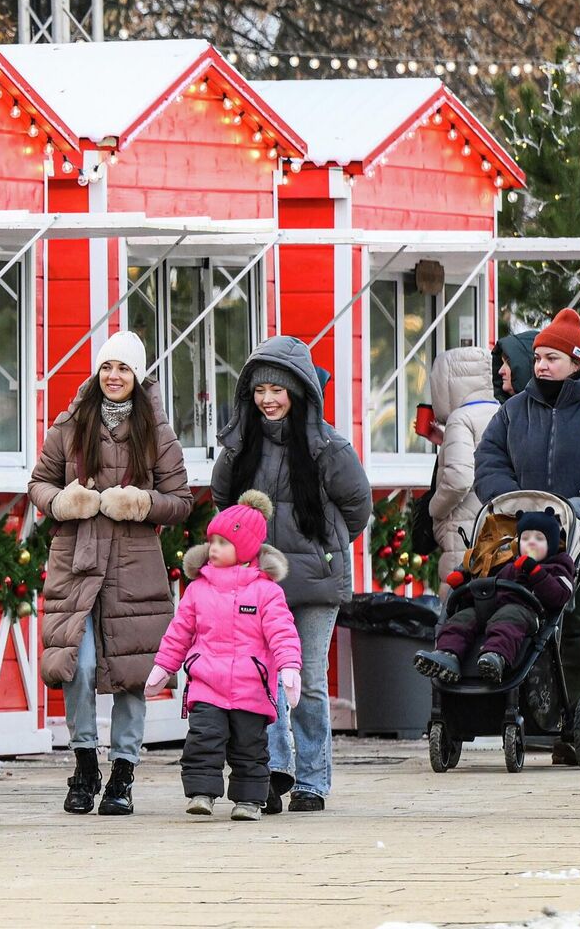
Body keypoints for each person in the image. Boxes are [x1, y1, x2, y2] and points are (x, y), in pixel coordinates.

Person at [28, 331, 193, 817]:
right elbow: (39, 483)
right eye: (106, 368)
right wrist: (61, 500)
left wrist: (142, 504)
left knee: (131, 673)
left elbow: (181, 502)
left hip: (134, 566)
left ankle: (122, 774)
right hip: (76, 560)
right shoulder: (69, 425)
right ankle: (84, 765)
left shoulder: (157, 432)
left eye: (122, 369)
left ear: (137, 376)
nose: (114, 377)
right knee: (75, 664)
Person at [474, 308, 580, 764]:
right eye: (538, 358)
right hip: (526, 546)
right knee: (526, 626)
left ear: (576, 361)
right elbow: (488, 462)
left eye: (553, 357)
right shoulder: (513, 413)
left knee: (578, 632)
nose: (542, 365)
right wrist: (510, 503)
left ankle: (579, 726)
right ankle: (535, 723)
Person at [210, 336, 370, 814]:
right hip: (257, 584)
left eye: (278, 390)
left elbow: (357, 506)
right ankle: (274, 774)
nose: (268, 399)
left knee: (309, 682)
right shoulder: (240, 446)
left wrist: (325, 549)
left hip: (316, 585)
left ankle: (313, 781)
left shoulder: (328, 446)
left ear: (299, 391)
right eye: (260, 390)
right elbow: (223, 504)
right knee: (267, 679)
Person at [148, 491, 301, 822]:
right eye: (211, 541)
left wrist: (289, 666)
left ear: (245, 548)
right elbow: (179, 632)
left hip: (251, 686)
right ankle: (202, 793)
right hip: (207, 683)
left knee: (250, 747)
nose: (212, 548)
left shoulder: (266, 591)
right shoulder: (200, 589)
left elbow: (282, 631)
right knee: (203, 738)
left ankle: (249, 800)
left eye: (222, 542)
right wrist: (163, 667)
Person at [414, 510, 576, 683]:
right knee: (463, 618)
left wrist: (535, 571)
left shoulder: (557, 565)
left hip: (528, 612)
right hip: (493, 606)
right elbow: (490, 587)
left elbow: (560, 595)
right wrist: (463, 586)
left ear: (551, 543)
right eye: (526, 538)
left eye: (539, 538)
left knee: (508, 619)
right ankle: (447, 655)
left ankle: (496, 657)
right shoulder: (510, 565)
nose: (531, 543)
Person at [428, 347, 499, 581]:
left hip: (463, 530)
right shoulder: (502, 411)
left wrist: (435, 509)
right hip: (497, 524)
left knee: (458, 602)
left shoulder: (461, 418)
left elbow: (459, 479)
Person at [491, 330, 537, 402]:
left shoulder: (553, 412)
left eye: (508, 363)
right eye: (502, 363)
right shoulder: (503, 412)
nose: (500, 371)